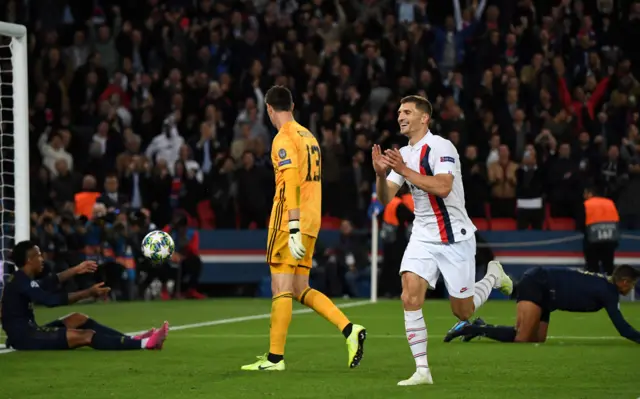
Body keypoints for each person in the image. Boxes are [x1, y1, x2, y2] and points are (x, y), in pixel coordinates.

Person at [372, 95, 513, 386]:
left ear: (424, 118)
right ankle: (422, 370)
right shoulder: (405, 155)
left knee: (462, 311)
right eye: (399, 111)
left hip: (454, 237)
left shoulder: (441, 146)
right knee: (409, 295)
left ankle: (492, 276)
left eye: (407, 112)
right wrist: (380, 174)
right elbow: (387, 198)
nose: (401, 116)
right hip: (423, 236)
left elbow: (444, 187)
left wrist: (402, 171)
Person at [241, 86, 366, 371]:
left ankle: (275, 358)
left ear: (269, 108)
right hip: (312, 219)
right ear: (293, 105)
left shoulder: (283, 138)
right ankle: (349, 329)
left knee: (281, 287)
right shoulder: (309, 137)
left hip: (290, 221)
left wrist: (293, 226)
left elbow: (292, 180)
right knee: (300, 287)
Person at [1, 241, 169, 351]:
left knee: (77, 318)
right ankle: (145, 344)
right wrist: (88, 293)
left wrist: (75, 269)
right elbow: (50, 301)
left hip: (29, 332)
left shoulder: (22, 279)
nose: (42, 258)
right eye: (38, 255)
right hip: (25, 338)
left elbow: (50, 282)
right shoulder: (21, 282)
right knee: (87, 336)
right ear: (30, 259)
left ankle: (132, 339)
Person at [444, 265, 640, 344]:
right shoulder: (609, 291)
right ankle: (469, 327)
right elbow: (622, 328)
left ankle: (478, 327)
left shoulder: (605, 284)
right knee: (522, 338)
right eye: (631, 284)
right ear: (623, 281)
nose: (631, 288)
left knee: (536, 339)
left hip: (549, 295)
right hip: (539, 283)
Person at [578, 186, 620, 275]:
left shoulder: (586, 204)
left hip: (593, 241)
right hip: (610, 239)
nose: (583, 195)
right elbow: (617, 219)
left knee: (592, 268)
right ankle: (610, 286)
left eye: (585, 193)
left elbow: (581, 223)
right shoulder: (610, 202)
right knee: (609, 267)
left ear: (590, 194)